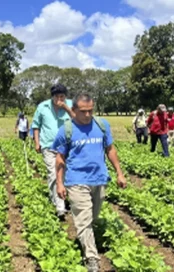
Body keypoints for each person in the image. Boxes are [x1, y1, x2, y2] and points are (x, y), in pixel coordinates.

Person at [52, 93, 127, 272]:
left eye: (90, 111)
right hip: (77, 180)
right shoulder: (66, 130)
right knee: (84, 220)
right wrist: (60, 184)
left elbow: (110, 149)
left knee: (92, 217)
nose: (87, 115)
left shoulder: (102, 125)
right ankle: (91, 258)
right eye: (83, 111)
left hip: (99, 178)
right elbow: (60, 158)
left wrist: (119, 173)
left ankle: (86, 240)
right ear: (74, 110)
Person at [32, 83, 74, 218]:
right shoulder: (42, 107)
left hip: (66, 146)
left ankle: (57, 197)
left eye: (62, 96)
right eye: (57, 96)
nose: (59, 99)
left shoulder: (70, 104)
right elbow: (36, 126)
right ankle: (60, 206)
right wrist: (37, 142)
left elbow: (79, 119)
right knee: (53, 173)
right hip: (48, 145)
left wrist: (66, 108)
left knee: (65, 174)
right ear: (52, 97)